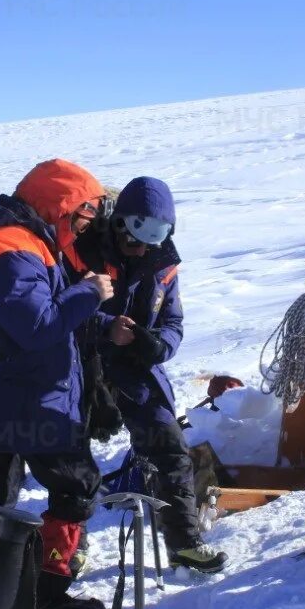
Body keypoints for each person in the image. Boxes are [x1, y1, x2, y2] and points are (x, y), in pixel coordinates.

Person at [0, 159, 115, 609]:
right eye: (81, 216)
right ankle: (46, 598)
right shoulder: (15, 249)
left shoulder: (7, 239)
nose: (83, 228)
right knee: (75, 485)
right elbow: (36, 326)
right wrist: (90, 293)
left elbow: (31, 311)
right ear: (59, 206)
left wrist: (92, 318)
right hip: (25, 397)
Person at [68, 176, 227, 573]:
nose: (140, 249)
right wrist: (105, 327)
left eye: (150, 242)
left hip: (137, 370)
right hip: (81, 365)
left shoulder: (164, 265)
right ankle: (71, 547)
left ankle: (184, 543)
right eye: (134, 240)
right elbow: (59, 311)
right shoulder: (81, 252)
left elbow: (173, 321)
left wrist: (159, 345)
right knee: (74, 461)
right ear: (118, 225)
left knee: (171, 450)